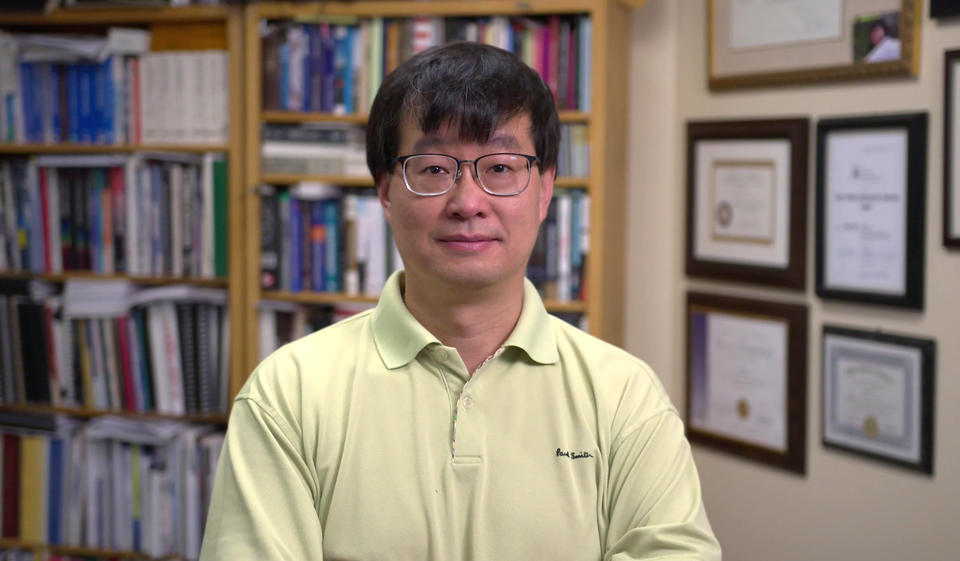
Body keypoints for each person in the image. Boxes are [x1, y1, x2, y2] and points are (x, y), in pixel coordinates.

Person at [199, 42, 721, 561]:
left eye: (499, 167)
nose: (467, 203)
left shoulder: (624, 396)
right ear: (385, 191)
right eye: (432, 169)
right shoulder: (288, 393)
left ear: (544, 191)